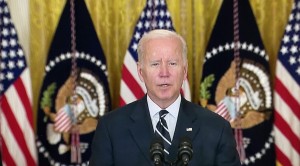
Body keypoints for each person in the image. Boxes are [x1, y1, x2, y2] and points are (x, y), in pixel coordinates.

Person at [89, 29, 241, 166]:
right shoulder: (111, 128)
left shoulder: (216, 128)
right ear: (141, 72)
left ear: (185, 70)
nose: (164, 73)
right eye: (155, 64)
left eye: (172, 63)